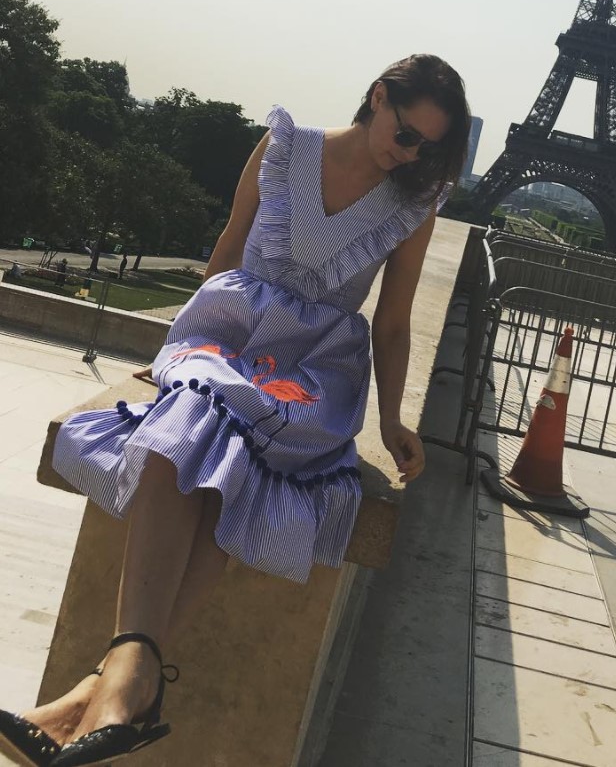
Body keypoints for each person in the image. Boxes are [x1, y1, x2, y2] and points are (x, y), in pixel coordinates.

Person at [0, 54, 470, 767]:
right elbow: (228, 246)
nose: (410, 155)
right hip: (227, 337)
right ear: (378, 97)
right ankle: (124, 691)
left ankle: (102, 688)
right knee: (192, 422)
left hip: (311, 369)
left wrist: (389, 419)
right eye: (407, 134)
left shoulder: (412, 204)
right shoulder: (283, 146)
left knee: (230, 456)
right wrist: (174, 346)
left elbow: (395, 322)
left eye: (426, 148)